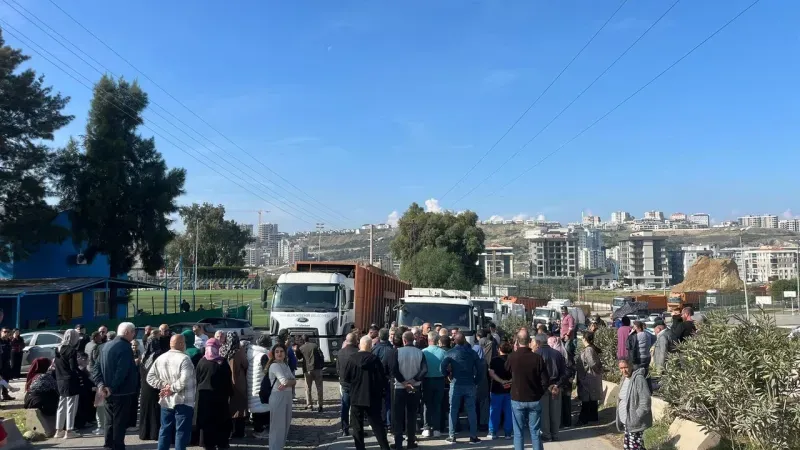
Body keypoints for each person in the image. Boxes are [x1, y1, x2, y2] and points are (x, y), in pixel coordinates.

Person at [91, 322, 138, 450]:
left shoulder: (104, 346)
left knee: (109, 421)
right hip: (121, 392)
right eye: (133, 332)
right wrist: (110, 387)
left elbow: (96, 369)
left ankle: (108, 445)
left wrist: (101, 385)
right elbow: (121, 371)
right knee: (119, 422)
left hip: (108, 391)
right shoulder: (124, 347)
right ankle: (117, 446)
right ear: (127, 332)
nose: (134, 336)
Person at [147, 334, 196, 450]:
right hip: (183, 400)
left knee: (165, 429)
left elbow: (150, 377)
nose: (185, 345)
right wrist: (170, 388)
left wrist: (164, 386)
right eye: (183, 342)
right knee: (181, 431)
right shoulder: (185, 359)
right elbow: (184, 380)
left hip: (166, 400)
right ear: (180, 344)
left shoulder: (161, 358)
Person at [343, 336, 391, 450]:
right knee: (377, 426)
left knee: (357, 427)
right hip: (372, 397)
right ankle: (385, 447)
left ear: (360, 344)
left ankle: (360, 448)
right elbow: (382, 379)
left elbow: (346, 378)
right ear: (370, 346)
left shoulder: (352, 359)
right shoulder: (375, 360)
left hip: (356, 396)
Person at [505, 330, 550, 450]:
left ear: (517, 342)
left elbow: (506, 371)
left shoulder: (512, 357)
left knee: (518, 433)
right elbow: (545, 380)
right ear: (530, 342)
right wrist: (539, 393)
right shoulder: (537, 358)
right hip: (534, 398)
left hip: (517, 398)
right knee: (535, 432)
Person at [440, 332, 482, 444]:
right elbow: (480, 368)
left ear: (454, 341)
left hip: (456, 383)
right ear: (464, 340)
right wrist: (476, 380)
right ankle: (473, 436)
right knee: (471, 410)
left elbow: (442, 367)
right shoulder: (472, 353)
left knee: (453, 409)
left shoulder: (450, 353)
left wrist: (447, 375)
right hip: (469, 383)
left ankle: (452, 435)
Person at [195, 338, 233, 450]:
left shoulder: (201, 362)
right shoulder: (221, 362)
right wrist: (230, 393)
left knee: (206, 423)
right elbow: (227, 380)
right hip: (219, 398)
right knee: (220, 422)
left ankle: (207, 444)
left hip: (204, 397)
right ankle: (221, 443)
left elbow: (197, 379)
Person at [392, 331, 427, 450]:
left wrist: (404, 382)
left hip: (400, 388)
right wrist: (412, 381)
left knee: (398, 416)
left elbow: (394, 370)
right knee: (411, 415)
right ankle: (411, 441)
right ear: (413, 340)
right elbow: (424, 370)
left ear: (404, 340)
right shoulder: (420, 353)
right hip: (414, 387)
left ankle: (398, 443)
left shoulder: (398, 352)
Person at [533, 334, 565, 442]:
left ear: (537, 343)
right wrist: (558, 384)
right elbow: (564, 372)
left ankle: (546, 434)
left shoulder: (536, 354)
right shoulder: (557, 354)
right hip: (556, 386)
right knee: (555, 412)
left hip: (543, 387)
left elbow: (535, 373)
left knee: (544, 412)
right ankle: (555, 434)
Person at [266, 344, 297, 450]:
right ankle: (274, 447)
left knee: (286, 424)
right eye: (277, 352)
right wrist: (289, 382)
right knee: (277, 426)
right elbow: (284, 381)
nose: (279, 353)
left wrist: (290, 382)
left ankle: (280, 447)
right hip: (277, 396)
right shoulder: (274, 366)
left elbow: (293, 380)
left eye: (281, 351)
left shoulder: (285, 364)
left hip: (287, 396)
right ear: (274, 354)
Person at [616, 359, 652, 450]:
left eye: (625, 367)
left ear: (631, 366)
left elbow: (646, 400)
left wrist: (637, 416)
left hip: (635, 422)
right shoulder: (624, 378)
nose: (623, 370)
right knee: (631, 445)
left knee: (635, 446)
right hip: (627, 421)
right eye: (621, 368)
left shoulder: (639, 379)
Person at [54, 329, 82, 438]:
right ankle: (69, 431)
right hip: (70, 380)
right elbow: (73, 367)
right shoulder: (71, 350)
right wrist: (81, 371)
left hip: (60, 379)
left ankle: (58, 430)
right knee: (71, 405)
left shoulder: (57, 348)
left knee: (61, 405)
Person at [221, 331, 248, 438]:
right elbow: (245, 364)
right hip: (238, 382)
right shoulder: (239, 350)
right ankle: (239, 432)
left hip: (225, 381)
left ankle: (228, 431)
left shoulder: (223, 350)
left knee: (228, 407)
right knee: (240, 408)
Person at [139, 331, 164, 441]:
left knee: (146, 411)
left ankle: (144, 433)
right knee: (155, 411)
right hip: (154, 386)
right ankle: (154, 433)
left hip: (144, 387)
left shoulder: (144, 356)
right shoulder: (158, 356)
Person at [371, 328, 397, 430]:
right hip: (389, 379)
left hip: (377, 379)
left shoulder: (375, 349)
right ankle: (388, 422)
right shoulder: (392, 349)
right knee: (388, 401)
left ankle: (379, 422)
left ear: (379, 336)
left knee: (377, 401)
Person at [421, 331, 445, 438]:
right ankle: (436, 429)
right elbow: (446, 367)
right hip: (439, 380)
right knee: (437, 404)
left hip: (426, 380)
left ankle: (426, 427)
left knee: (427, 404)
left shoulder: (423, 352)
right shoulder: (443, 352)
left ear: (428, 339)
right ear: (437, 340)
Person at [247, 334, 271, 439]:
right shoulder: (263, 356)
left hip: (252, 384)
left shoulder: (251, 353)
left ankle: (258, 430)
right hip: (260, 385)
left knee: (256, 407)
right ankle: (260, 431)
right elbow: (266, 371)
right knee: (262, 408)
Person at [487, 342, 513, 440]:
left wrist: (501, 381)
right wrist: (509, 382)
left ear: (499, 350)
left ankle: (493, 432)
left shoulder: (494, 360)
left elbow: (491, 373)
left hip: (496, 388)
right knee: (508, 412)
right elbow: (515, 374)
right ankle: (508, 433)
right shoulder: (512, 360)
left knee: (494, 411)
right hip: (510, 389)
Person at [576, 332, 603, 426]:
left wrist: (598, 370)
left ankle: (583, 419)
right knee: (592, 399)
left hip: (588, 377)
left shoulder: (588, 350)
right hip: (590, 377)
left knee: (586, 399)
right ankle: (593, 417)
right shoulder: (590, 349)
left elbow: (592, 363)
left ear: (584, 339)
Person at [337, 333, 359, 437]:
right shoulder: (358, 352)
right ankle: (356, 429)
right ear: (355, 341)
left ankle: (345, 429)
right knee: (356, 408)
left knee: (345, 407)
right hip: (356, 385)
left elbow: (337, 368)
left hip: (345, 384)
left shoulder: (340, 352)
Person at [298, 335, 324, 412]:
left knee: (308, 388)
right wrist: (321, 365)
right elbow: (321, 355)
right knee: (319, 388)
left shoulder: (301, 348)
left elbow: (299, 357)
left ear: (302, 340)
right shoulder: (315, 345)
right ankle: (320, 405)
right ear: (308, 339)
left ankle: (309, 405)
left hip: (307, 369)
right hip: (317, 369)